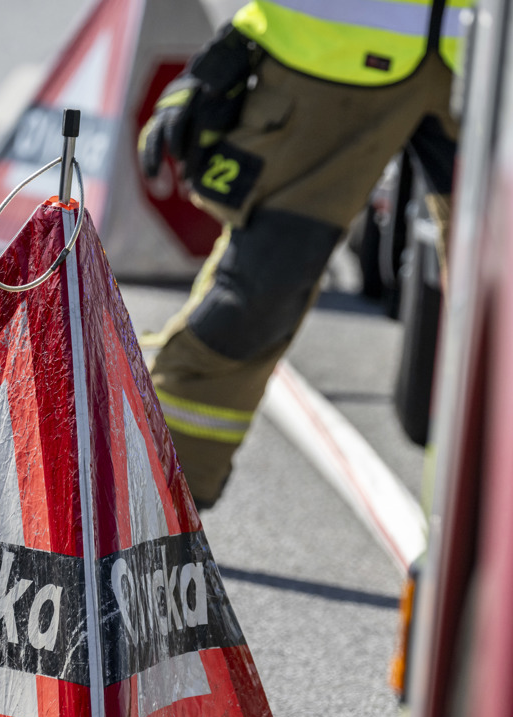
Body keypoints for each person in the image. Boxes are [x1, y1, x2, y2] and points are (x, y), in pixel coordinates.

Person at [138, 0, 470, 508]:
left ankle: (493, 543)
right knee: (254, 298)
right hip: (327, 50)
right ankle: (148, 499)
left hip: (512, 56)